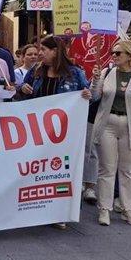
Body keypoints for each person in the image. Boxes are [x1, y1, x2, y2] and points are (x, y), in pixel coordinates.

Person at [18, 35, 92, 230]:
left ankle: (59, 212)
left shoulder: (75, 73)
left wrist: (87, 95)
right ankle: (36, 208)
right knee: (38, 170)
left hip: (64, 135)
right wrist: (22, 89)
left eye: (44, 50)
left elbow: (89, 97)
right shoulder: (36, 71)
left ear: (56, 51)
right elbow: (22, 94)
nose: (40, 54)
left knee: (60, 172)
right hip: (37, 132)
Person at [91, 40, 131, 227]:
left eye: (118, 53)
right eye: (113, 52)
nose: (114, 56)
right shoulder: (107, 72)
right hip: (107, 124)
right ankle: (104, 209)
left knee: (128, 170)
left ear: (130, 56)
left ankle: (128, 209)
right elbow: (95, 97)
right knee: (106, 169)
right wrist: (95, 80)